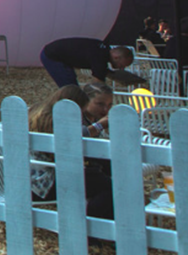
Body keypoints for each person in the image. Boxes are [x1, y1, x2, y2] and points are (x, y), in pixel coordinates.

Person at [28, 85, 113, 219]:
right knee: (107, 185)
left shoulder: (39, 112)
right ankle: (91, 223)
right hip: (44, 183)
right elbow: (69, 143)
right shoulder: (52, 120)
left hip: (33, 177)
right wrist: (98, 126)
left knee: (101, 172)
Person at [39, 37, 135, 88]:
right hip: (52, 56)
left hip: (55, 51)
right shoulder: (100, 58)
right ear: (116, 57)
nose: (121, 68)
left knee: (71, 82)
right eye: (121, 65)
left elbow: (102, 72)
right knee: (71, 89)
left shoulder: (103, 48)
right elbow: (98, 85)